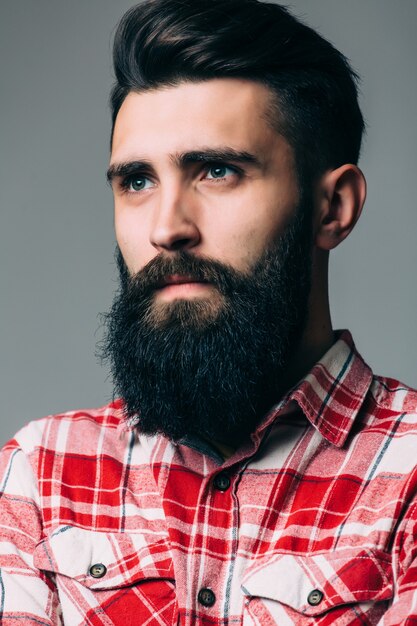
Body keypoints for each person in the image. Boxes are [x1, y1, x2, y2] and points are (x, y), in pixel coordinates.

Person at [0, 0, 416, 623]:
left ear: (333, 208)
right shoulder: (41, 475)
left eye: (217, 170)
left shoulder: (409, 481)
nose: (167, 228)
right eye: (137, 181)